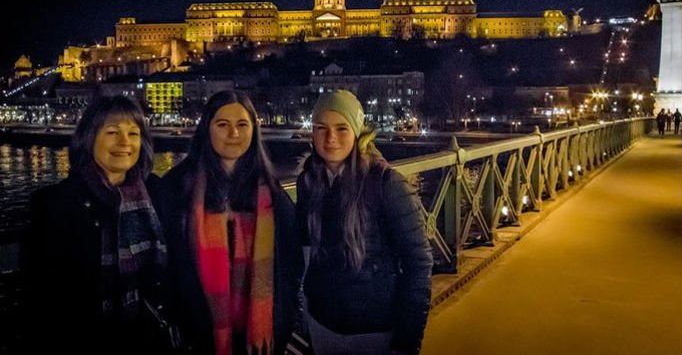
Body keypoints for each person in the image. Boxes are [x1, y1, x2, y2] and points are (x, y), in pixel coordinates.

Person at [156, 90, 303, 355]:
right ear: (206, 129)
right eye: (223, 125)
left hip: (258, 337)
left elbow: (290, 266)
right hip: (197, 334)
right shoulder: (176, 188)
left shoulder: (273, 195)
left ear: (253, 131)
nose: (233, 134)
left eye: (242, 125)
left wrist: (282, 319)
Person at [23, 96, 169, 354]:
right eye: (112, 132)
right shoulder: (55, 203)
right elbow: (44, 300)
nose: (125, 143)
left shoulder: (158, 191)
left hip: (149, 340)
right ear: (89, 138)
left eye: (133, 133)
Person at [296, 90, 433, 355]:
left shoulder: (386, 183)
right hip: (322, 324)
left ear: (358, 132)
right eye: (320, 128)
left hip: (375, 330)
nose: (330, 138)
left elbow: (419, 262)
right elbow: (306, 252)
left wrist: (407, 342)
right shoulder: (308, 182)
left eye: (341, 128)